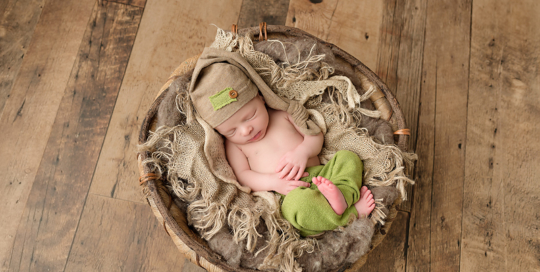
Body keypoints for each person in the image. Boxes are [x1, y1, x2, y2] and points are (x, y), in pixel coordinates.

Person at [189, 48, 375, 237]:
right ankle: (349, 214)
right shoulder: (234, 146)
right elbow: (243, 176)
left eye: (250, 116)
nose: (246, 130)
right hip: (291, 193)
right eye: (232, 131)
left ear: (260, 98)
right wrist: (273, 182)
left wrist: (303, 152)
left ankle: (342, 195)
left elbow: (315, 136)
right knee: (296, 210)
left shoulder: (283, 114)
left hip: (323, 175)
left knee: (348, 158)